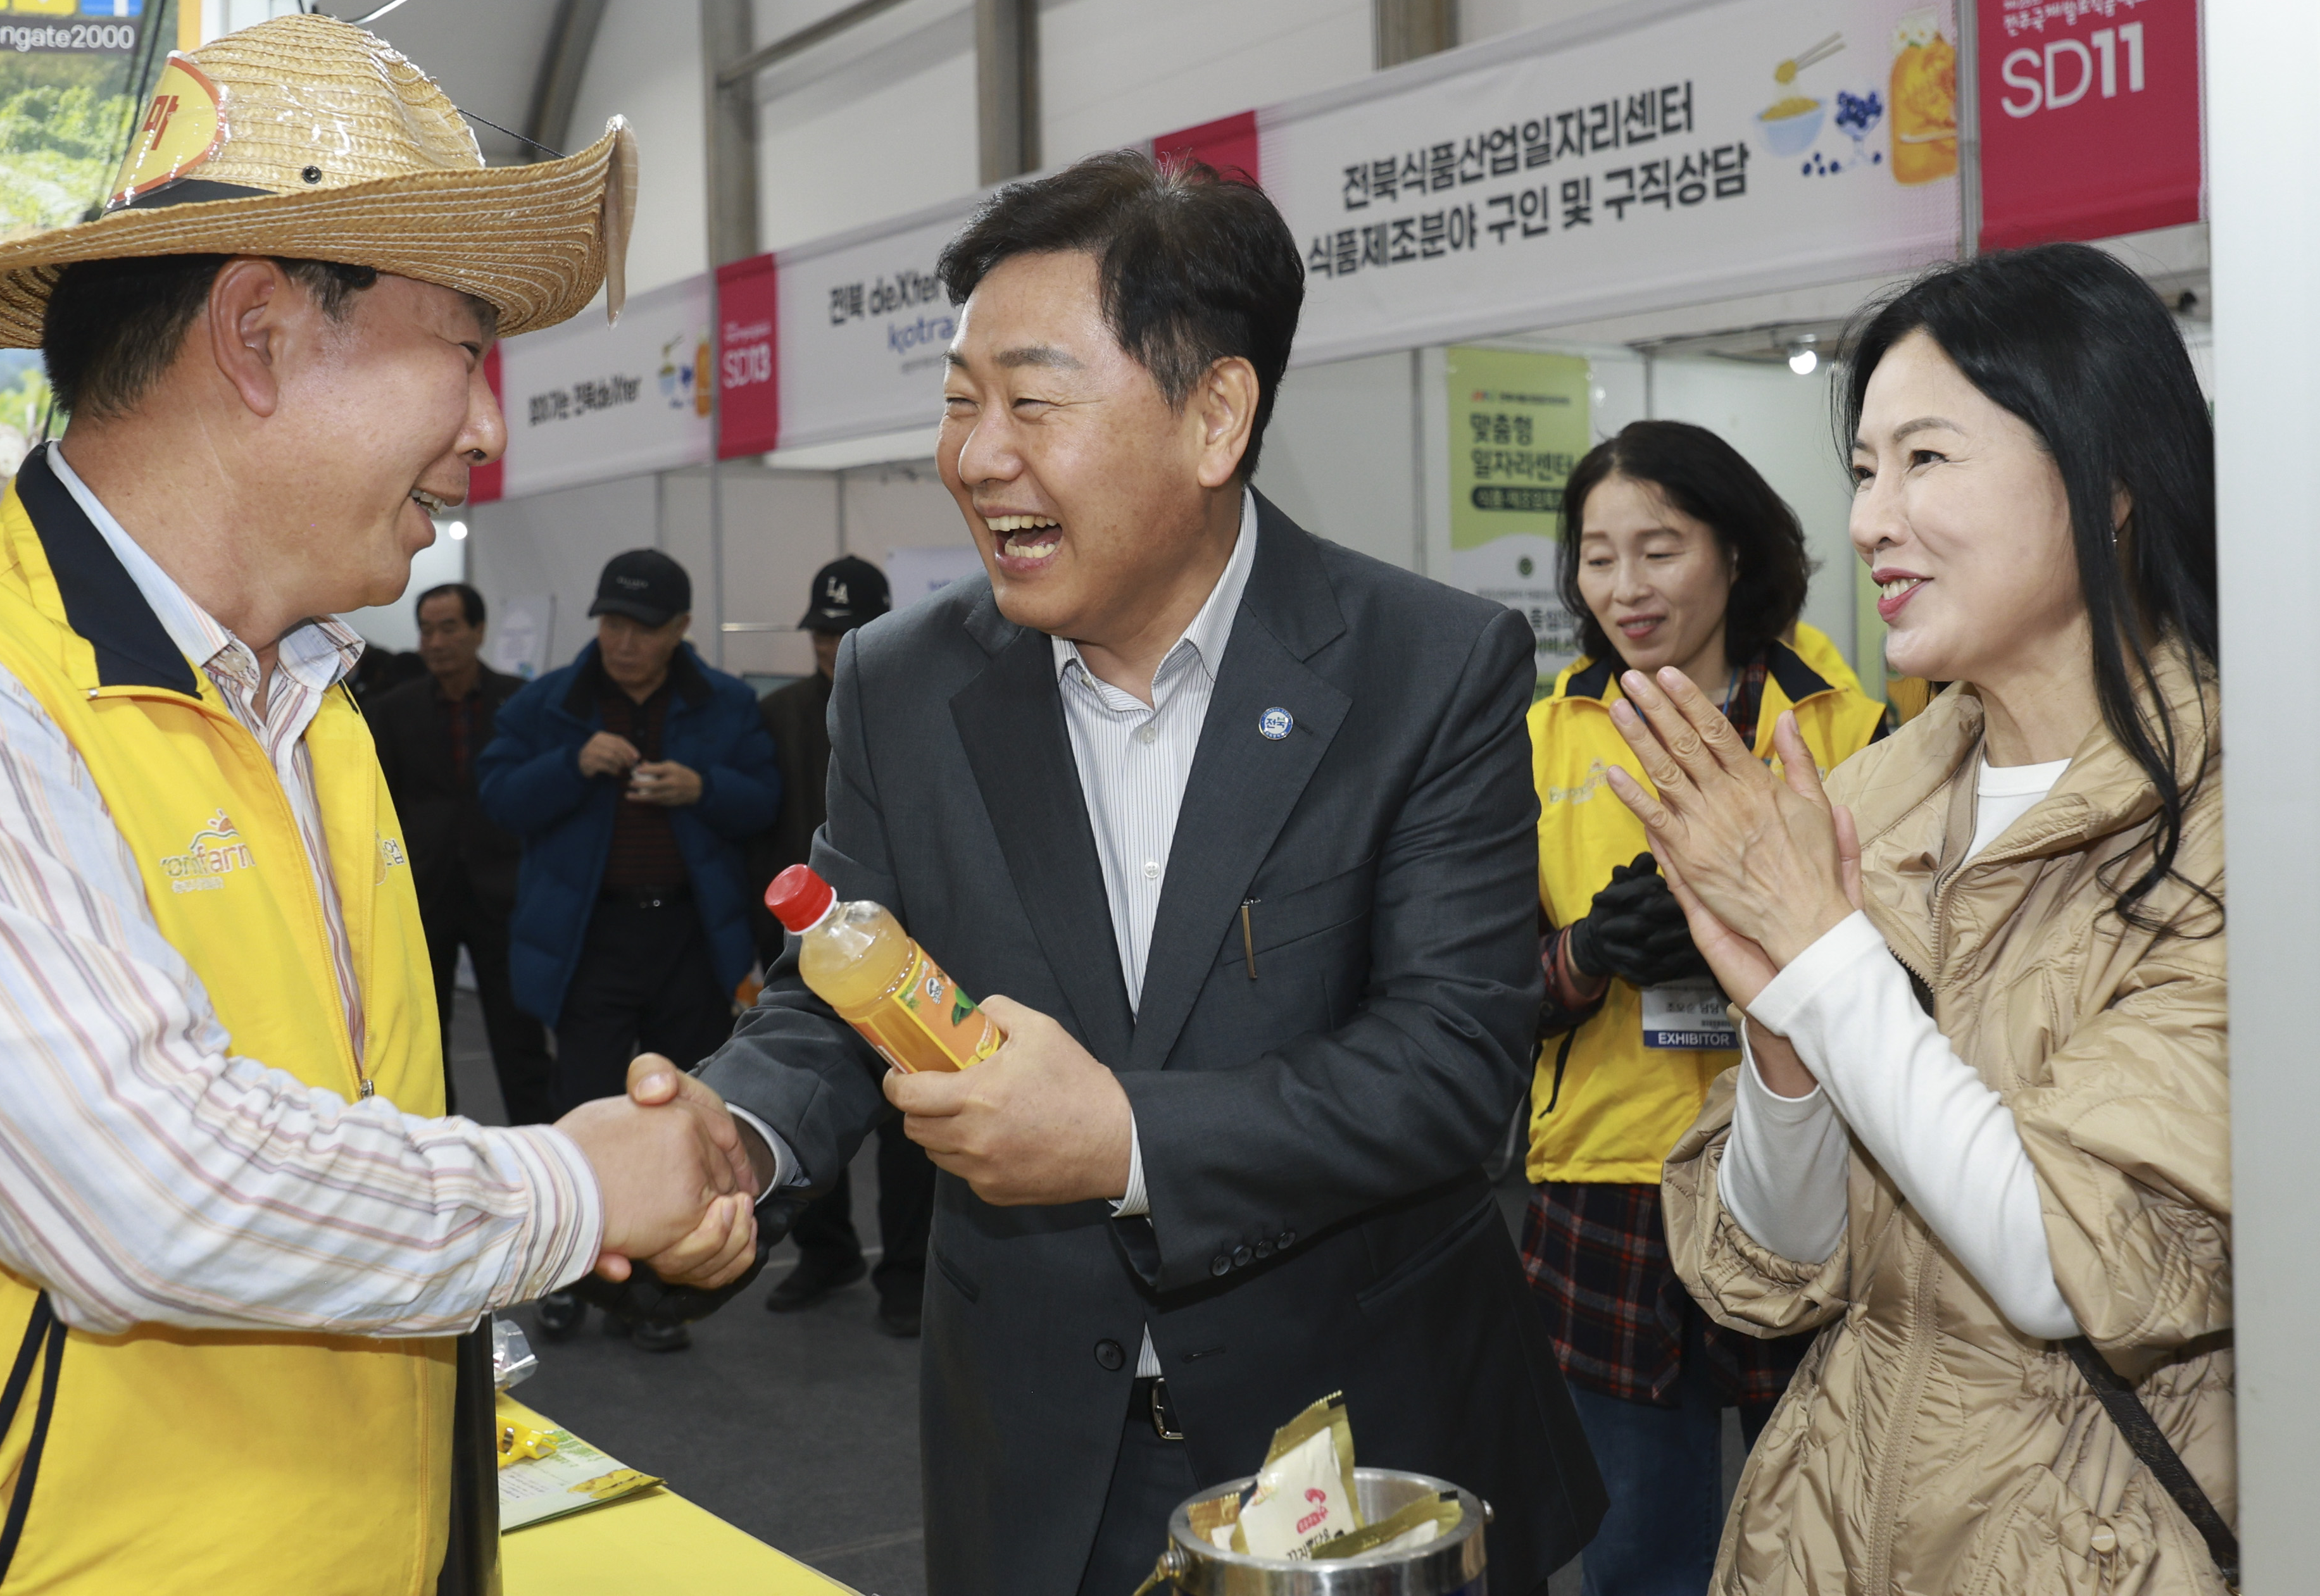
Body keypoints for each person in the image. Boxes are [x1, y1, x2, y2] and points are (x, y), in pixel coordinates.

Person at [0, 16, 758, 1595]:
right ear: (258, 336)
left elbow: (326, 1142)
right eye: (463, 349)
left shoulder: (307, 705)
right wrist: (582, 1182)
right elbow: (146, 1190)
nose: (487, 429)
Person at [630, 151, 1605, 1595]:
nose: (976, 457)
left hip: (1355, 1437)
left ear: (1214, 416)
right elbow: (844, 987)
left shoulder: (1425, 667)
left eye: (1031, 403)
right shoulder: (904, 683)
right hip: (1038, 1460)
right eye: (958, 401)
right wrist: (736, 1137)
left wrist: (1125, 1139)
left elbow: (1450, 1061)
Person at [1611, 245, 2228, 1590]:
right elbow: (1776, 1264)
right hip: (1828, 1533)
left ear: (2109, 479)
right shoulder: (1870, 800)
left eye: (1926, 460)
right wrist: (1782, 1047)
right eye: (1863, 470)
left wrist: (1823, 955)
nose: (1870, 522)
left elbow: (2069, 1263)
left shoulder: (2237, 823)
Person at [1523, 421, 1887, 1596]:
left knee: (1830, 1538)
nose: (1624, 587)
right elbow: (1476, 995)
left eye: (1660, 548)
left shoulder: (1846, 728)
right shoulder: (1537, 740)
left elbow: (1916, 977)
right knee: (1639, 1555)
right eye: (1597, 557)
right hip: (1610, 1190)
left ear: (1733, 552)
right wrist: (1587, 951)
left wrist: (1777, 941)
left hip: (1811, 1177)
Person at [478, 549, 777, 1351]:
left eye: (643, 627)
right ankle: (567, 1278)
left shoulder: (724, 703)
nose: (623, 641)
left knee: (684, 1110)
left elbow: (764, 800)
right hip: (590, 938)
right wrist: (570, 764)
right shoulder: (551, 703)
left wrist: (702, 788)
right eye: (611, 622)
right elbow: (498, 796)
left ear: (680, 628)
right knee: (582, 1107)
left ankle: (655, 1295)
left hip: (687, 936)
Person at [748, 555, 935, 1337]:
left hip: (905, 941)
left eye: (845, 632)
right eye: (822, 634)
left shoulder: (918, 705)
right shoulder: (778, 713)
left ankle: (908, 1270)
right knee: (806, 1094)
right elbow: (756, 828)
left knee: (910, 1120)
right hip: (805, 945)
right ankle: (825, 1253)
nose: (831, 647)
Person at [367, 582, 551, 1126]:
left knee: (519, 1036)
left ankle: (540, 1142)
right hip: (425, 891)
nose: (436, 642)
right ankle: (438, 1144)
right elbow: (383, 801)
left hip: (505, 890)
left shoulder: (520, 701)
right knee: (423, 1033)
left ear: (478, 630)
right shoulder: (393, 709)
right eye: (427, 630)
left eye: (449, 628)